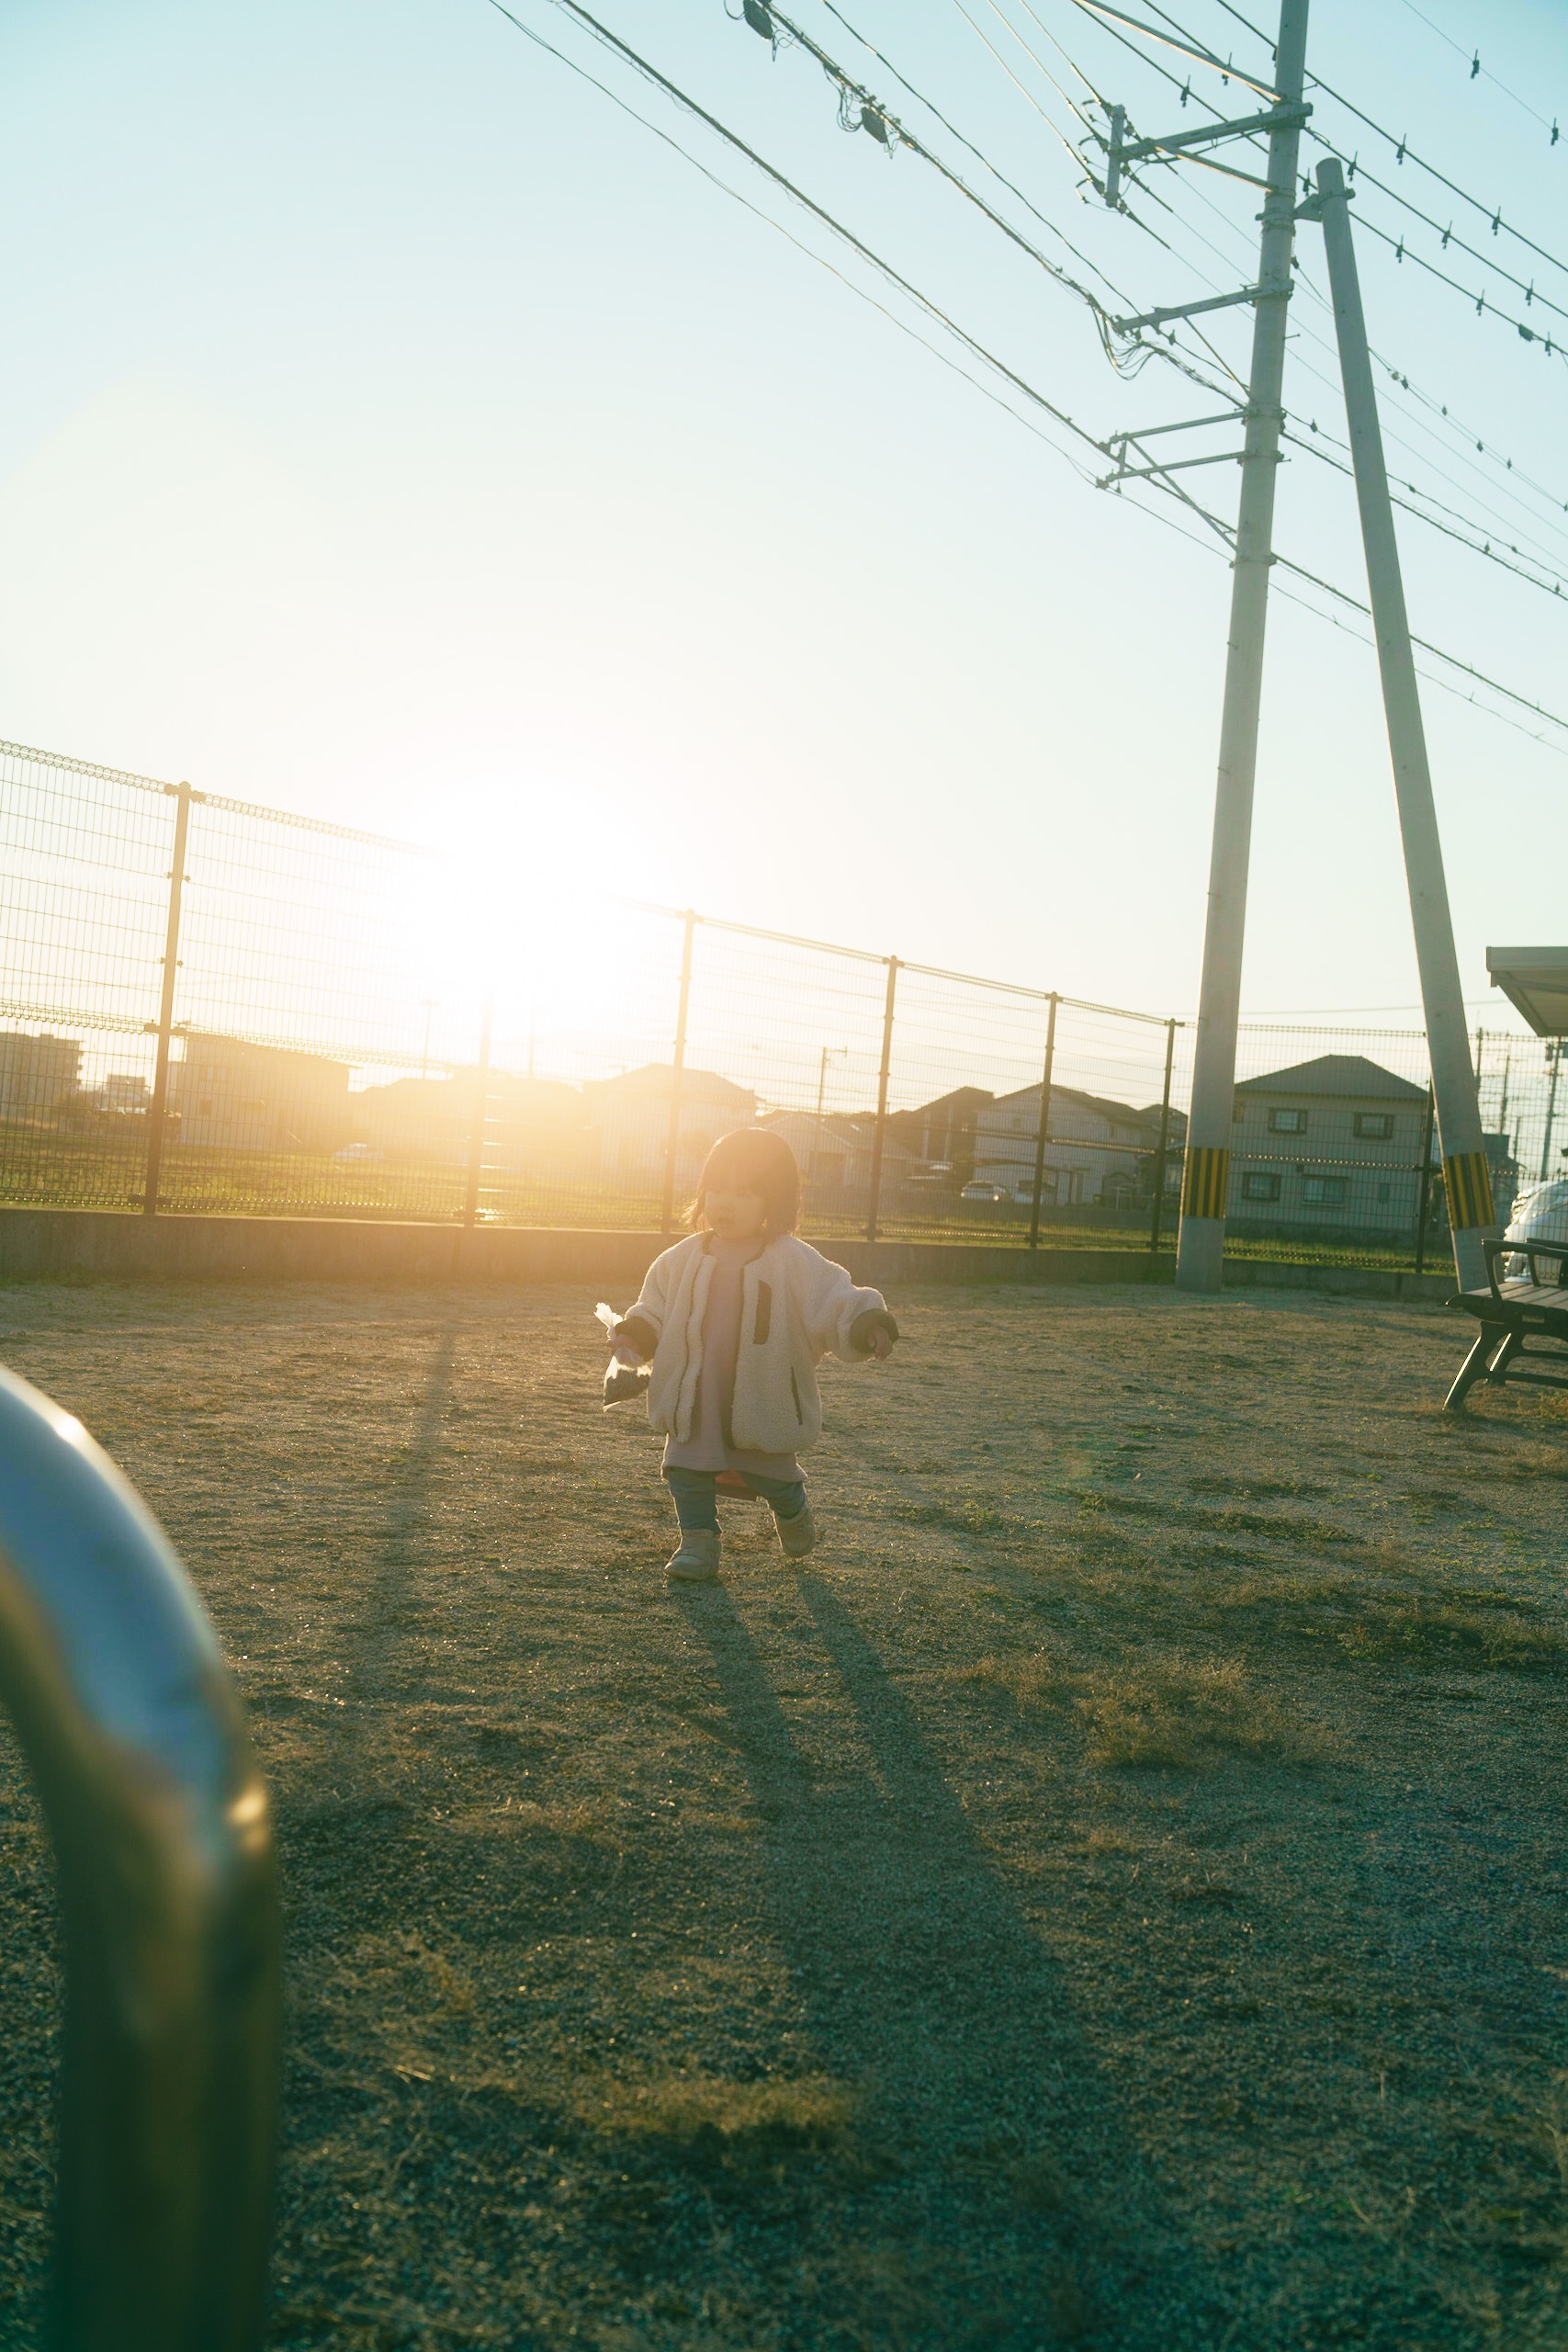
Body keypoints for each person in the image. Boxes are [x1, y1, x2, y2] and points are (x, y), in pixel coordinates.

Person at [612, 1127, 899, 1584]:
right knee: (685, 1469)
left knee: (772, 1477)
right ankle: (697, 1544)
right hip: (695, 1394)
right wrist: (635, 1334)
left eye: (744, 1192)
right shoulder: (679, 1259)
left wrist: (867, 1324)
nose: (725, 1203)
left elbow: (836, 1298)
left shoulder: (792, 1259)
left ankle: (792, 1508)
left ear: (774, 1201)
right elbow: (654, 1308)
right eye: (717, 1189)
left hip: (763, 1398)